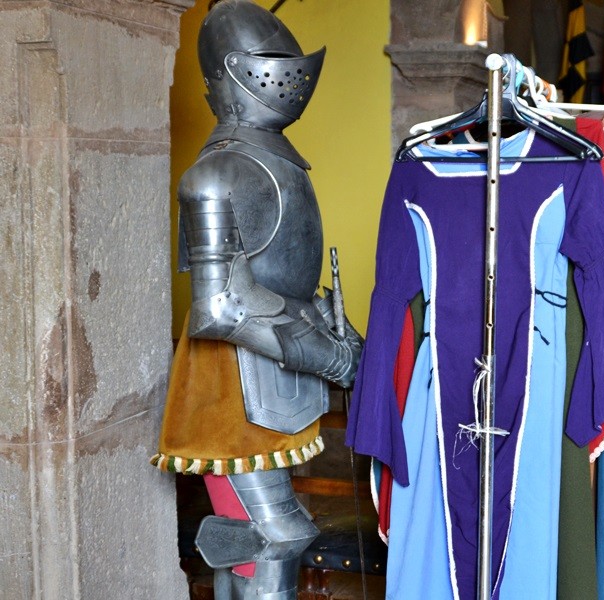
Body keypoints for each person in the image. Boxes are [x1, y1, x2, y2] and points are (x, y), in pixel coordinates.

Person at [151, 2, 362, 598]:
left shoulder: (275, 162)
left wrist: (335, 329)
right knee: (274, 535)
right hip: (231, 383)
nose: (289, 75)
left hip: (269, 372)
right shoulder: (217, 174)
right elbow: (221, 308)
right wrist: (331, 357)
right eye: (269, 61)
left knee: (259, 539)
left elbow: (283, 284)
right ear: (230, 71)